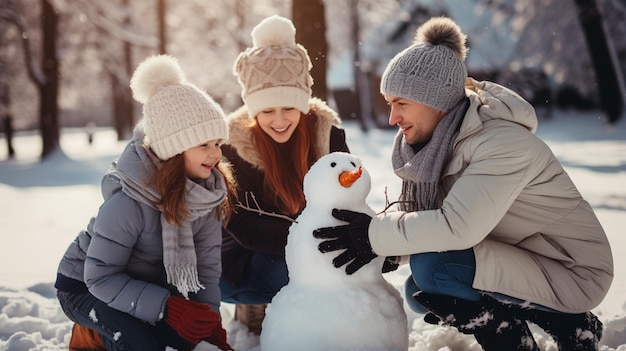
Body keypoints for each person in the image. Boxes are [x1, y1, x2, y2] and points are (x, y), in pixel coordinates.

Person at [313, 16, 613, 351]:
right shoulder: (437, 146)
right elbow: (436, 220)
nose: (392, 119)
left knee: (435, 271)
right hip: (522, 255)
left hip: (572, 270)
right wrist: (389, 251)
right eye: (389, 104)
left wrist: (372, 235)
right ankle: (564, 323)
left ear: (436, 103)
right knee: (420, 289)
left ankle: (527, 332)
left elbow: (457, 227)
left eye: (401, 104)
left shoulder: (500, 143)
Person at [55, 54, 236, 351]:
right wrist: (169, 307)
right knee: (139, 345)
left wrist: (210, 326)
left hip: (144, 287)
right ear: (174, 150)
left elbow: (205, 271)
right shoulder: (128, 203)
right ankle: (92, 334)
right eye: (203, 144)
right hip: (86, 287)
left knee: (187, 341)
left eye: (217, 143)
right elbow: (100, 276)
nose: (216, 154)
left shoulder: (206, 197)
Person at [219, 15, 350, 335]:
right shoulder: (233, 146)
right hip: (241, 260)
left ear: (303, 104)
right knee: (284, 271)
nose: (279, 120)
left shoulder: (326, 134)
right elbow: (242, 224)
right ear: (252, 110)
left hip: (306, 246)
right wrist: (312, 247)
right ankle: (255, 304)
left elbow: (347, 198)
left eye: (288, 108)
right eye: (266, 110)